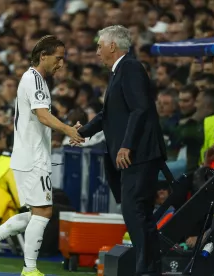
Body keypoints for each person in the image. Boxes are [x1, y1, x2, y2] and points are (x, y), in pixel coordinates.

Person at [0, 35, 83, 276]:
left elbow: (39, 120)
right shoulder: (34, 79)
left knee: (36, 213)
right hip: (33, 157)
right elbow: (42, 115)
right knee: (44, 212)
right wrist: (68, 130)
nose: (61, 64)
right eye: (58, 58)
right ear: (43, 55)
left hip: (28, 155)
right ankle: (29, 269)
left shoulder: (35, 79)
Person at [73, 25, 166, 276]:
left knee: (135, 210)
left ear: (112, 46)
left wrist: (127, 145)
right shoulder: (120, 71)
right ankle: (149, 268)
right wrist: (81, 133)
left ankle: (146, 269)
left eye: (99, 46)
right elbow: (108, 114)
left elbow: (140, 109)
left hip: (139, 154)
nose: (97, 52)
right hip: (133, 155)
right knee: (136, 212)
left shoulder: (131, 67)